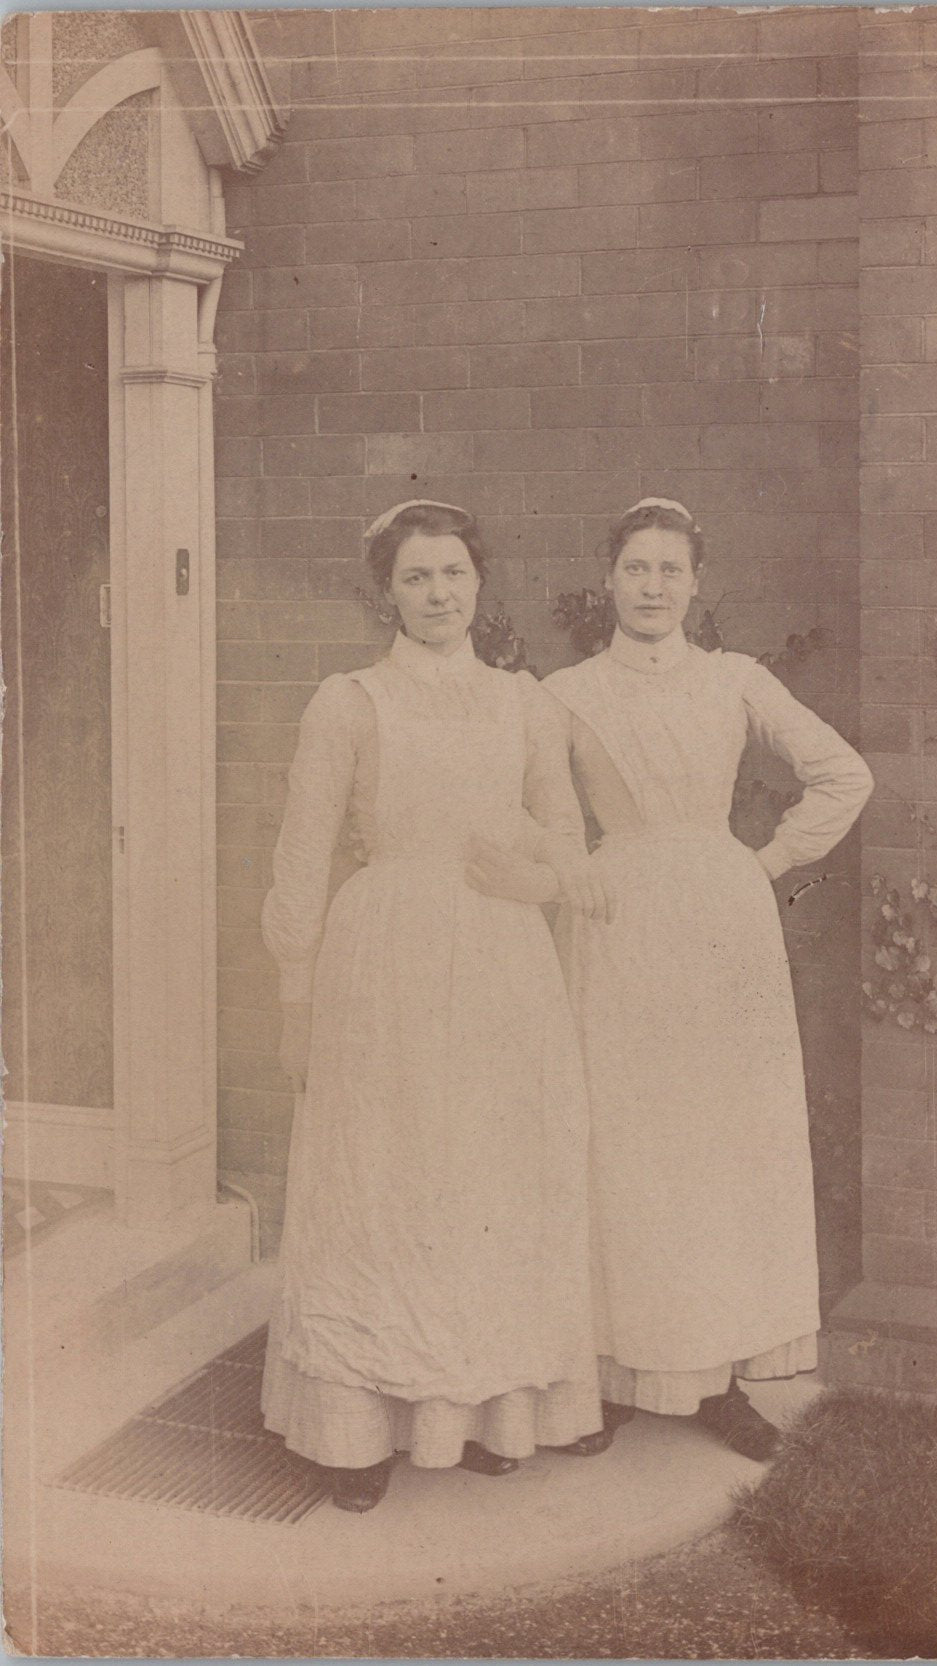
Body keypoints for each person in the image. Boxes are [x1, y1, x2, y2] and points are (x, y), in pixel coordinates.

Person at [260, 500, 612, 1513]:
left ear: (478, 582)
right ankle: (358, 1429)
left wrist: (535, 882)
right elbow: (301, 851)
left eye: (452, 573)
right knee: (384, 1175)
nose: (436, 594)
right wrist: (294, 994)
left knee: (488, 1177)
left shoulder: (523, 703)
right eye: (415, 578)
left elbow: (564, 834)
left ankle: (491, 1408)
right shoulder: (350, 701)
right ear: (386, 591)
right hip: (383, 962)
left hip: (500, 964)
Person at [537, 496, 872, 1460]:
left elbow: (843, 774)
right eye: (636, 567)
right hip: (618, 926)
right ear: (609, 579)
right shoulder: (565, 693)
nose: (652, 586)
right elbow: (538, 815)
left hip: (723, 926)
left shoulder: (734, 681)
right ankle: (606, 1373)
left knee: (721, 1143)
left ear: (696, 582)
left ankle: (719, 1376)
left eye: (670, 569)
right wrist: (575, 871)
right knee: (625, 1135)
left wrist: (763, 863)